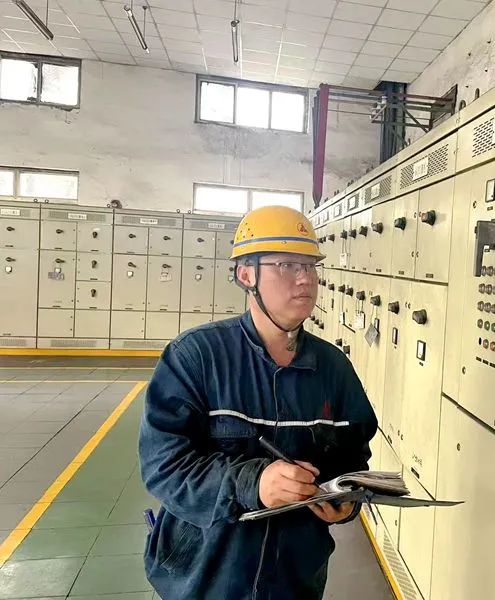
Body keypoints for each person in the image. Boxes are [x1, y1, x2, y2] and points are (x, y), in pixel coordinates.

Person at [138, 205, 378, 599]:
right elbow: (164, 467)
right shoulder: (196, 356)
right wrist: (254, 482)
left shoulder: (333, 368)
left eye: (311, 266)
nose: (305, 278)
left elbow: (352, 456)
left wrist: (346, 502)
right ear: (246, 274)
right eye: (287, 265)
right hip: (205, 577)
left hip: (294, 578)